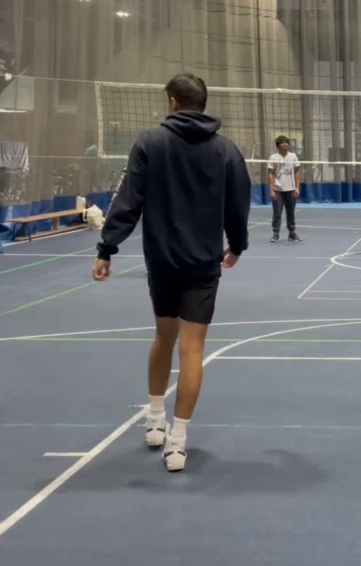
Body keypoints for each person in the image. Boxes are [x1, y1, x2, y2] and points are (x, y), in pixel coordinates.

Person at [93, 73, 251, 472]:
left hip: (161, 260)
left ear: (173, 102)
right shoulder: (226, 150)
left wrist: (107, 247)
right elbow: (238, 203)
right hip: (202, 262)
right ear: (203, 102)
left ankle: (154, 420)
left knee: (164, 335)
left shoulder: (149, 143)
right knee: (193, 349)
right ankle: (178, 443)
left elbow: (129, 199)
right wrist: (238, 242)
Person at [268, 135, 302, 243]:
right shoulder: (273, 157)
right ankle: (275, 234)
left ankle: (292, 233)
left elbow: (297, 172)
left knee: (291, 213)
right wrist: (271, 189)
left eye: (286, 142)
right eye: (282, 142)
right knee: (277, 213)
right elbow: (271, 174)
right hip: (278, 190)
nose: (285, 144)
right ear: (278, 145)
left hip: (291, 190)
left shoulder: (293, 156)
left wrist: (297, 187)